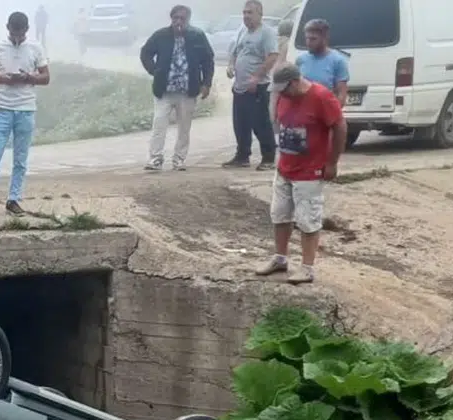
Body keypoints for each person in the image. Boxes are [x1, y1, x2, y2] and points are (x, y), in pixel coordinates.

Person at [255, 63, 346, 285]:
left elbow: (340, 125)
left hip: (310, 171)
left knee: (308, 220)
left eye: (283, 89)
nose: (280, 94)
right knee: (279, 214)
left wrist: (332, 162)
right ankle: (280, 258)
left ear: (295, 82)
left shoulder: (321, 97)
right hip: (285, 166)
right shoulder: (285, 96)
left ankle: (307, 268)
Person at [0, 12, 50, 218]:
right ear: (8, 28)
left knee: (20, 159)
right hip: (2, 108)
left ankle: (14, 199)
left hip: (25, 108)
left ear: (26, 30)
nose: (16, 37)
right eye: (13, 33)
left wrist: (28, 77)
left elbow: (46, 77)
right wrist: (3, 78)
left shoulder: (35, 47)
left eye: (20, 33)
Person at [139, 5, 215, 171]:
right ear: (171, 19)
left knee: (184, 127)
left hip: (187, 91)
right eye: (175, 18)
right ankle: (155, 158)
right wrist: (154, 70)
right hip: (164, 90)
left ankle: (179, 159)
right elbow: (145, 53)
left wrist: (206, 83)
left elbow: (208, 60)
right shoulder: (161, 35)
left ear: (188, 20)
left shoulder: (197, 36)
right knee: (159, 124)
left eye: (182, 18)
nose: (178, 22)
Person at [223, 0, 279, 170]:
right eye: (244, 12)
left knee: (260, 123)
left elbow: (272, 56)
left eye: (250, 13)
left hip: (258, 86)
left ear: (260, 14)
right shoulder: (242, 31)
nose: (246, 16)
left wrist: (256, 77)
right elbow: (235, 52)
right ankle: (242, 156)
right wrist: (231, 65)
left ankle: (268, 158)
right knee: (240, 123)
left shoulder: (266, 33)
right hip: (240, 86)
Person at [295, 18, 349, 105]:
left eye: (313, 39)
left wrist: (332, 114)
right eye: (307, 38)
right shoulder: (301, 60)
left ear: (325, 38)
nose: (308, 42)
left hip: (326, 112)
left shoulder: (338, 61)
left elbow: (341, 95)